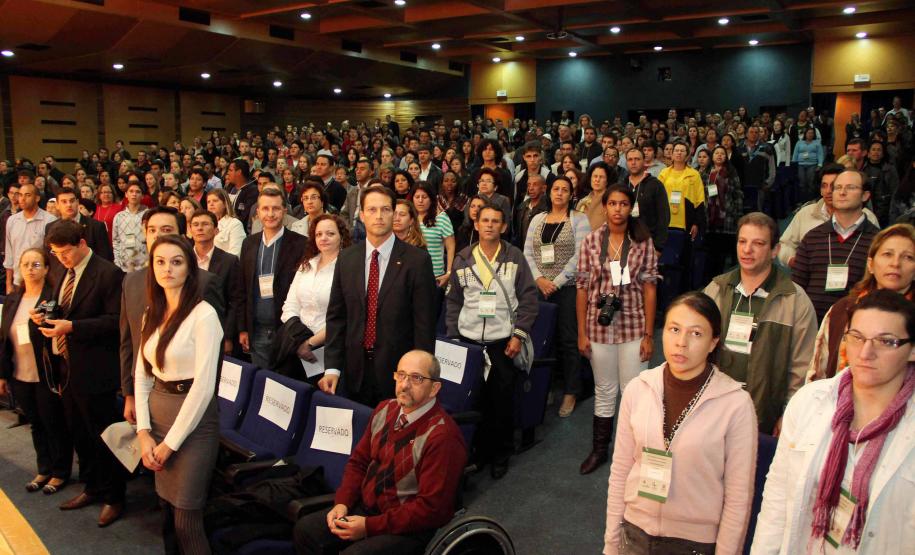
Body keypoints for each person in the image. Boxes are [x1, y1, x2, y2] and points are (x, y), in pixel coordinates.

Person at [751, 290, 915, 554]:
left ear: (912, 350)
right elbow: (776, 504)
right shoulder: (809, 402)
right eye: (857, 337)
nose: (866, 352)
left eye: (886, 341)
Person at [604, 292, 757, 555]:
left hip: (694, 544)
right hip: (634, 534)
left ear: (713, 342)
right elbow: (620, 471)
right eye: (674, 329)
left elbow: (738, 498)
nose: (681, 343)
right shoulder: (639, 389)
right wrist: (610, 544)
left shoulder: (736, 405)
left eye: (696, 334)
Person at [293, 350, 466, 555]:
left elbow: (430, 510)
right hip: (366, 508)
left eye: (416, 378)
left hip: (409, 526)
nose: (405, 384)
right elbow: (359, 462)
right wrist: (342, 503)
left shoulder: (443, 437)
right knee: (306, 530)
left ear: (434, 388)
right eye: (401, 375)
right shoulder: (385, 409)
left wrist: (369, 527)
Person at [135, 235, 221, 554]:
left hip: (194, 425)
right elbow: (142, 376)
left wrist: (170, 445)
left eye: (176, 262)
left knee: (187, 519)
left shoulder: (204, 316)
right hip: (158, 417)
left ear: (189, 268)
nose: (167, 269)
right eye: (160, 261)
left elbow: (203, 388)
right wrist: (143, 433)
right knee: (168, 513)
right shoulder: (151, 313)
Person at [37, 220, 125, 527]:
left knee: (103, 436)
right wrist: (45, 312)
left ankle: (114, 497)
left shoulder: (108, 273)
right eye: (55, 253)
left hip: (96, 369)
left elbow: (116, 322)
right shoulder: (61, 269)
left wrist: (73, 327)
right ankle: (92, 487)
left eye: (65, 252)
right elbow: (61, 304)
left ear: (82, 243)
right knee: (79, 433)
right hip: (66, 366)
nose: (60, 258)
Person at [703, 212, 817, 435]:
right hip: (713, 409)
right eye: (742, 241)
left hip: (763, 415)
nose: (747, 250)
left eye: (758, 243)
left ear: (774, 251)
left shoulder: (795, 300)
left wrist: (789, 414)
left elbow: (803, 366)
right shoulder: (716, 289)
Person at [446, 203, 538, 479]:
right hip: (470, 342)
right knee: (476, 402)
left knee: (502, 402)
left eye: (495, 221)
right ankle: (480, 452)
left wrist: (518, 335)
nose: (489, 225)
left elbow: (530, 299)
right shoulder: (462, 259)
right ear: (476, 224)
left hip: (503, 344)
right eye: (484, 220)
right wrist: (454, 339)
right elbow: (453, 301)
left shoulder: (514, 257)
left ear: (504, 227)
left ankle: (501, 454)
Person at [322, 186, 436, 407]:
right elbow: (336, 318)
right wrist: (333, 368)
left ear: (394, 214)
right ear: (362, 216)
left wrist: (418, 376)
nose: (379, 216)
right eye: (372, 210)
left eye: (385, 209)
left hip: (399, 375)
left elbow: (425, 325)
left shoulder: (417, 261)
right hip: (353, 370)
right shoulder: (346, 259)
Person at [576, 184, 659, 474]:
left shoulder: (642, 241)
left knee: (634, 391)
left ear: (630, 207)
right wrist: (581, 333)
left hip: (634, 326)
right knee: (605, 389)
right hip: (598, 328)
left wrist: (649, 334)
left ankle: (634, 452)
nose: (617, 209)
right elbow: (583, 289)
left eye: (623, 204)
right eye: (612, 204)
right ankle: (600, 450)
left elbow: (650, 289)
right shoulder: (591, 242)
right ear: (605, 207)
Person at [120, 207, 226, 425]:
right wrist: (129, 393)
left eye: (166, 230)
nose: (158, 236)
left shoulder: (205, 283)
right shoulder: (131, 282)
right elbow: (128, 341)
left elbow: (213, 354)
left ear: (181, 237)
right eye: (152, 230)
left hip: (188, 398)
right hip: (143, 390)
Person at [0, 249, 72, 495]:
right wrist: (2, 374)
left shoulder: (52, 299)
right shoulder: (12, 299)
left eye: (36, 264)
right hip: (20, 373)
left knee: (53, 423)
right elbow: (3, 339)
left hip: (45, 372)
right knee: (35, 423)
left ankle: (60, 472)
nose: (30, 268)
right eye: (25, 264)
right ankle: (44, 469)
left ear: (46, 269)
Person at [809, 224, 915, 381]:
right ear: (870, 265)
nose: (895, 263)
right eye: (887, 254)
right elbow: (818, 373)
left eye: (908, 257)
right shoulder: (842, 310)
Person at [523, 176, 590, 417]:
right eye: (555, 189)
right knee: (542, 340)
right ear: (549, 193)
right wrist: (539, 279)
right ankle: (546, 386)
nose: (559, 193)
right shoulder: (537, 219)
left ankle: (571, 391)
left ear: (571, 194)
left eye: (564, 190)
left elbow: (580, 255)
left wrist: (557, 282)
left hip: (568, 288)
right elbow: (528, 252)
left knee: (568, 340)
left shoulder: (579, 220)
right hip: (539, 288)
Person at [792, 170, 880, 321]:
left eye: (850, 187)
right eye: (838, 187)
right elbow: (796, 289)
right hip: (812, 325)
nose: (842, 192)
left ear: (865, 195)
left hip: (855, 327)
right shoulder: (812, 237)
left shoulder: (877, 241)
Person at [239, 188, 308, 369]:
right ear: (258, 212)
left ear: (285, 211)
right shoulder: (249, 243)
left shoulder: (300, 244)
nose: (270, 214)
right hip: (257, 331)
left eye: (276, 209)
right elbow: (242, 289)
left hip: (286, 332)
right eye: (265, 209)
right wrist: (243, 328)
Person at [278, 214, 351, 379]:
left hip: (327, 348)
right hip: (295, 344)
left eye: (330, 234)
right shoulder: (306, 265)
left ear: (342, 237)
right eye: (319, 234)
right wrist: (299, 339)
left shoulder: (348, 269)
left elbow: (344, 317)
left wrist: (311, 343)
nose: (323, 238)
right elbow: (289, 306)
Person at [778, 164, 879, 268]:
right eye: (824, 186)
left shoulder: (867, 217)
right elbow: (785, 244)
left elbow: (876, 255)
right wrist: (794, 261)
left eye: (834, 185)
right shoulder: (805, 213)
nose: (828, 191)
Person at [189, 209, 244, 355]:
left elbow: (235, 301)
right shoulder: (182, 260)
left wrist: (227, 337)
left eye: (205, 224)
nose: (200, 228)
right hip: (186, 331)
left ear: (216, 230)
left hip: (217, 331)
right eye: (195, 224)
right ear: (190, 230)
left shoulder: (229, 261)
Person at [46, 188, 113, 282]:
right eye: (64, 202)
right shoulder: (50, 227)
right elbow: (51, 258)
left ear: (77, 202)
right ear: (57, 205)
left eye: (72, 201)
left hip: (91, 279)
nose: (69, 205)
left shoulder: (96, 226)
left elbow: (105, 257)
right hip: (61, 279)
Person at [701, 146, 744, 280]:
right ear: (712, 157)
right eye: (716, 153)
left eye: (722, 154)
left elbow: (738, 193)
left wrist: (738, 213)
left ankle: (721, 278)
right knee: (709, 251)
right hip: (709, 216)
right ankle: (709, 280)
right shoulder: (705, 173)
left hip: (727, 217)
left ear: (726, 157)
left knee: (722, 252)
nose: (719, 155)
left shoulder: (731, 172)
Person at [4, 183, 56, 292]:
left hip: (42, 282)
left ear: (37, 198)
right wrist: (8, 283)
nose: (22, 199)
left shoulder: (50, 221)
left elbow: (53, 255)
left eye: (27, 195)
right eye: (20, 195)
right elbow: (9, 254)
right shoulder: (12, 221)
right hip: (17, 281)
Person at [624, 147, 669, 253]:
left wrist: (658, 247)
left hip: (649, 243)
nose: (633, 162)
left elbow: (664, 217)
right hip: (623, 242)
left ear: (644, 162)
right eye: (630, 160)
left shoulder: (655, 185)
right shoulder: (622, 184)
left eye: (637, 159)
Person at [412, 183, 455, 289]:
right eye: (417, 197)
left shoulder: (441, 217)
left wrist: (449, 272)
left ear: (431, 199)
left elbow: (450, 247)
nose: (420, 200)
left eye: (424, 197)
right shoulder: (409, 217)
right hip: (411, 275)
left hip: (435, 276)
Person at [112, 180, 149, 273]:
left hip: (144, 265)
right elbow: (116, 241)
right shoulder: (119, 216)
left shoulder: (149, 215)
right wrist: (117, 262)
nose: (134, 194)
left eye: (138, 192)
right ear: (126, 194)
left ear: (142, 196)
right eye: (131, 191)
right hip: (124, 266)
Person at [205, 188, 246, 257]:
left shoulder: (235, 224)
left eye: (215, 201)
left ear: (224, 204)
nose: (211, 204)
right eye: (208, 202)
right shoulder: (205, 225)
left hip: (225, 266)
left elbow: (236, 254)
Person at [577, 161, 616, 231]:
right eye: (595, 176)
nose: (597, 180)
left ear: (607, 181)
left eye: (601, 177)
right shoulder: (583, 201)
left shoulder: (611, 200)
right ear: (590, 179)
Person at [793, 127, 825, 203]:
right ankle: (802, 201)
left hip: (812, 165)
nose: (810, 134)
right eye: (808, 133)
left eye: (812, 133)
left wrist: (820, 165)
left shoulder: (817, 143)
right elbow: (795, 154)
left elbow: (820, 154)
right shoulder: (799, 142)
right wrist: (794, 164)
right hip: (800, 165)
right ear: (805, 134)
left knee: (811, 183)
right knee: (802, 183)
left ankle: (810, 200)